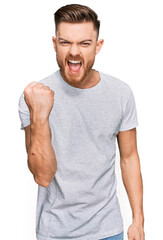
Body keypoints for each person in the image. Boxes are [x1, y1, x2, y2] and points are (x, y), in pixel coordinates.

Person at [18, 4, 145, 240]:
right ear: (55, 44)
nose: (74, 52)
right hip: (55, 232)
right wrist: (40, 115)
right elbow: (42, 175)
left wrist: (138, 220)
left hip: (109, 229)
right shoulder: (35, 96)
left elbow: (129, 157)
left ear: (98, 46)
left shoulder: (120, 93)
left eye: (84, 43)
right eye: (66, 42)